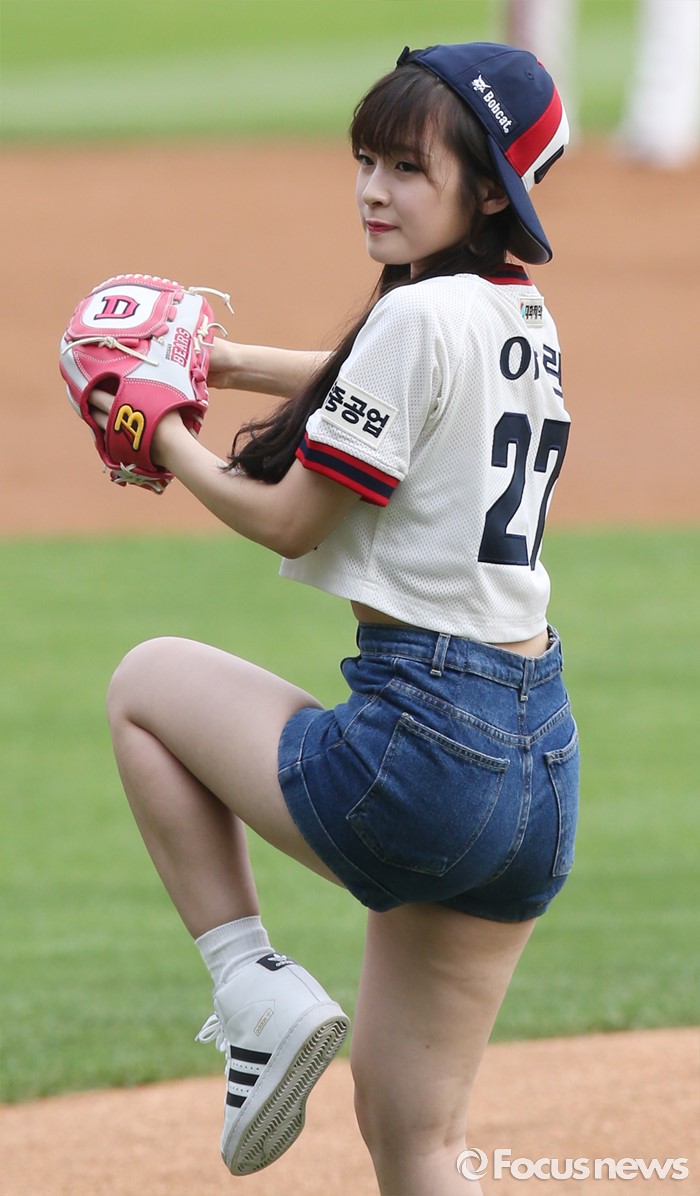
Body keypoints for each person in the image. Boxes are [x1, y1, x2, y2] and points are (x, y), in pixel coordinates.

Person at [90, 42, 579, 1194]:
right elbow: (375, 375)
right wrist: (218, 360)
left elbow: (288, 517)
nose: (372, 188)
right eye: (365, 160)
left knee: (145, 685)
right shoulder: (517, 309)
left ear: (485, 189)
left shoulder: (414, 318)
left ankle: (251, 982)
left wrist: (163, 431)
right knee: (416, 1138)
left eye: (407, 167)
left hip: (426, 748)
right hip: (540, 771)